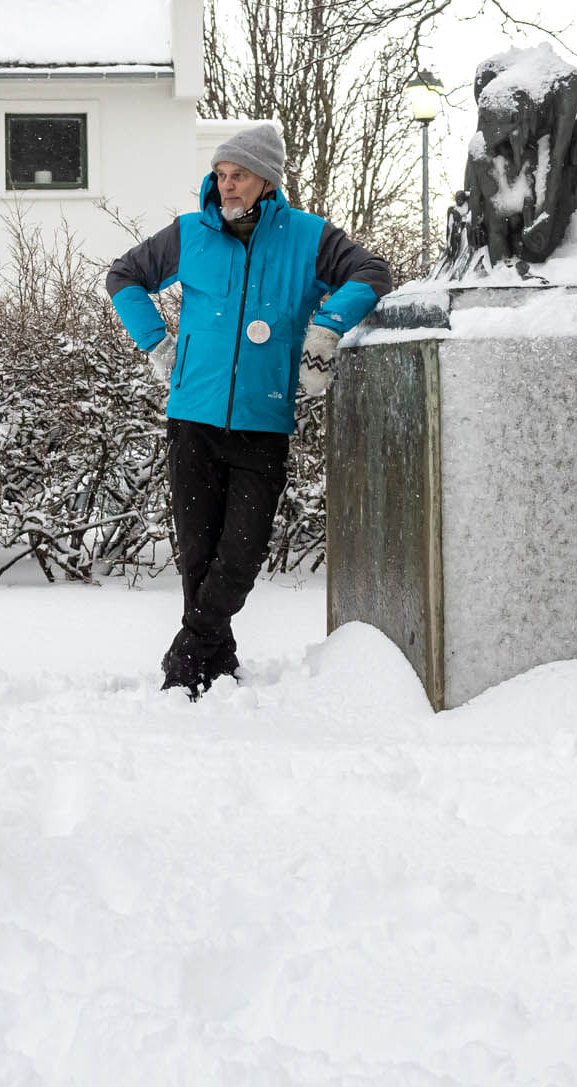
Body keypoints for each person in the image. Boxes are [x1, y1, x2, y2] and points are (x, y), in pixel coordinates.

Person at [106, 120, 391, 696]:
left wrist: (327, 328)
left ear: (268, 181)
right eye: (221, 174)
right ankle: (212, 663)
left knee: (239, 555)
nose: (227, 185)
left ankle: (188, 647)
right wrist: (156, 343)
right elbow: (124, 276)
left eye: (239, 175)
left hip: (262, 421)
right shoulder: (191, 234)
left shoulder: (308, 238)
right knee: (198, 555)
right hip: (192, 417)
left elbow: (372, 273)